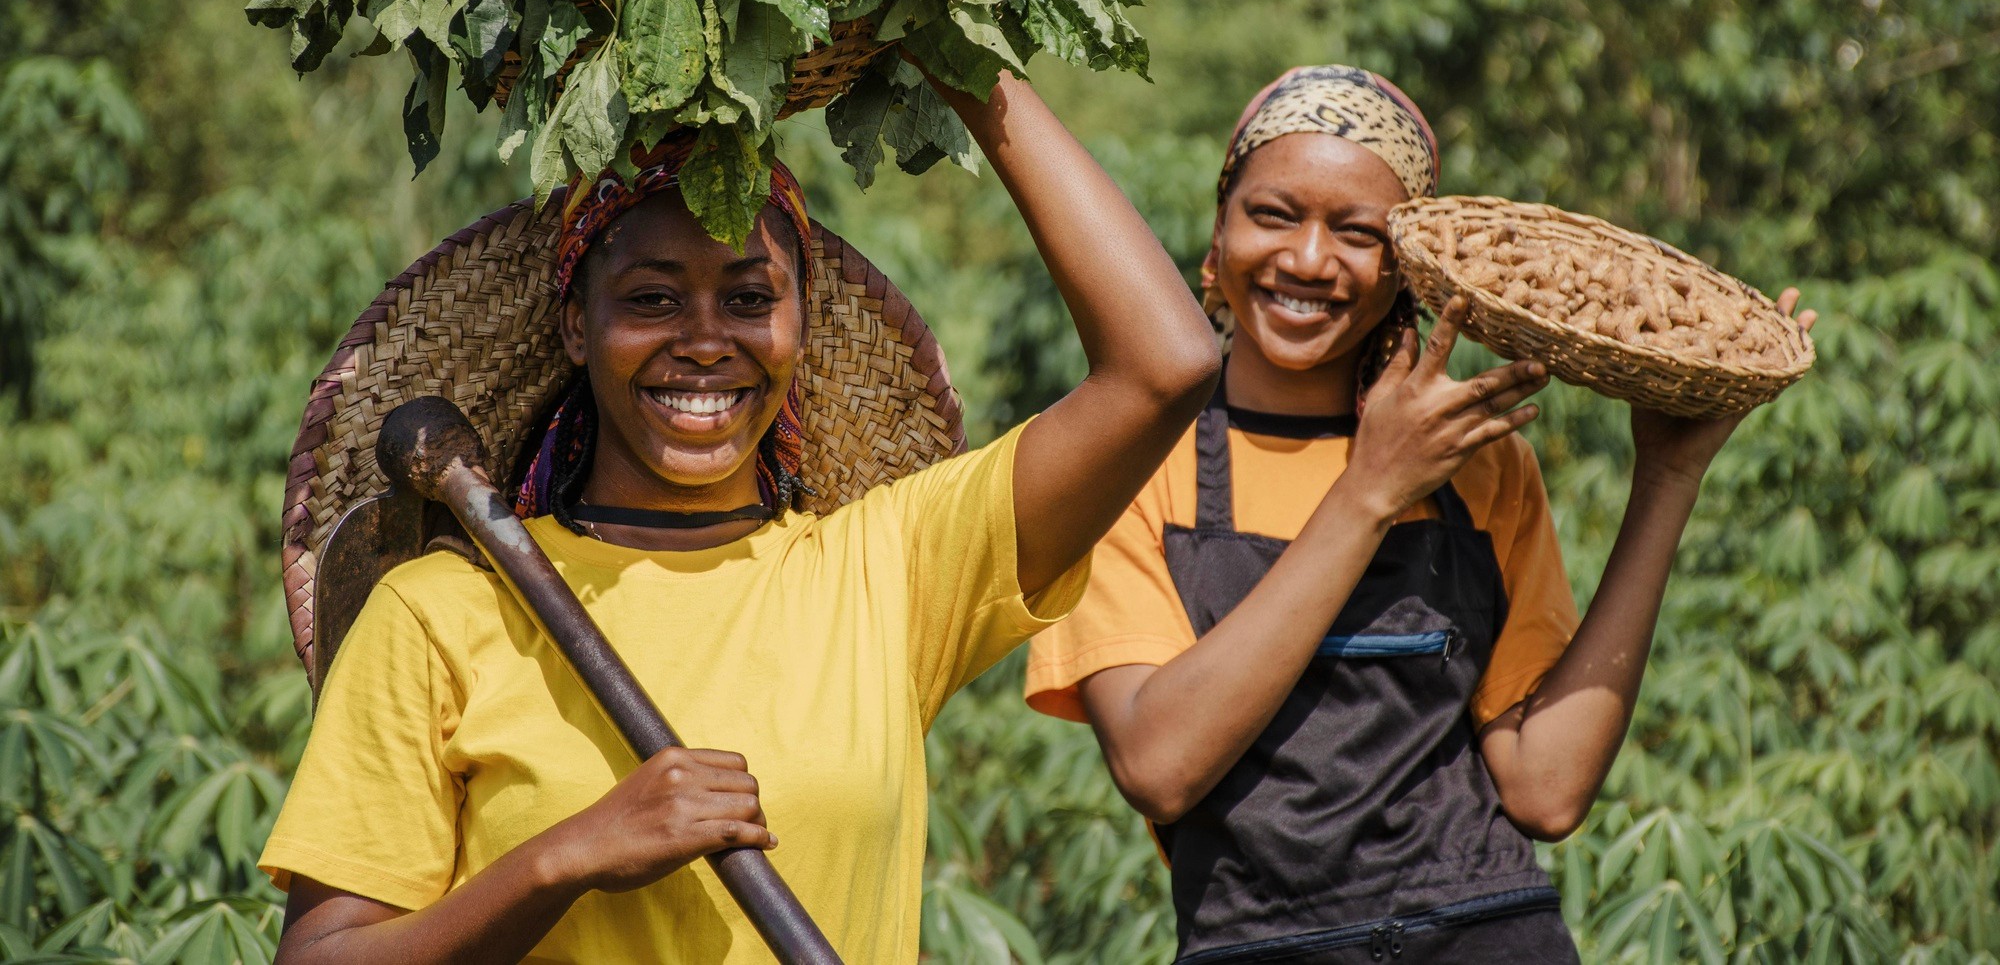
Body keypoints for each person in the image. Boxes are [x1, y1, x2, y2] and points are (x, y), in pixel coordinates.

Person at [258, 60, 1220, 963]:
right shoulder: (440, 612)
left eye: (750, 296)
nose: (706, 341)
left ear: (802, 323)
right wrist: (569, 856)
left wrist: (963, 56)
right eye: (652, 298)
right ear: (574, 326)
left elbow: (1166, 365)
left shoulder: (887, 570)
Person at [1024, 65, 1817, 962]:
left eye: (1357, 232)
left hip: (1489, 934)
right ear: (1219, 232)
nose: (1310, 259)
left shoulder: (1478, 465)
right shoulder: (1132, 465)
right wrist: (1369, 492)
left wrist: (1667, 478)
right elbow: (1158, 765)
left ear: (1405, 266)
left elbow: (1547, 791)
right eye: (1274, 214)